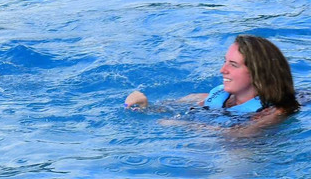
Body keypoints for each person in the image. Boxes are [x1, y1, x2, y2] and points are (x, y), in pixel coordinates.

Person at [125, 35, 300, 122]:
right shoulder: (216, 96)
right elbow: (168, 108)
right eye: (225, 62)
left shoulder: (271, 113)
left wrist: (183, 127)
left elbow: (239, 140)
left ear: (258, 73)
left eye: (233, 64)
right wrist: (145, 106)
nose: (222, 70)